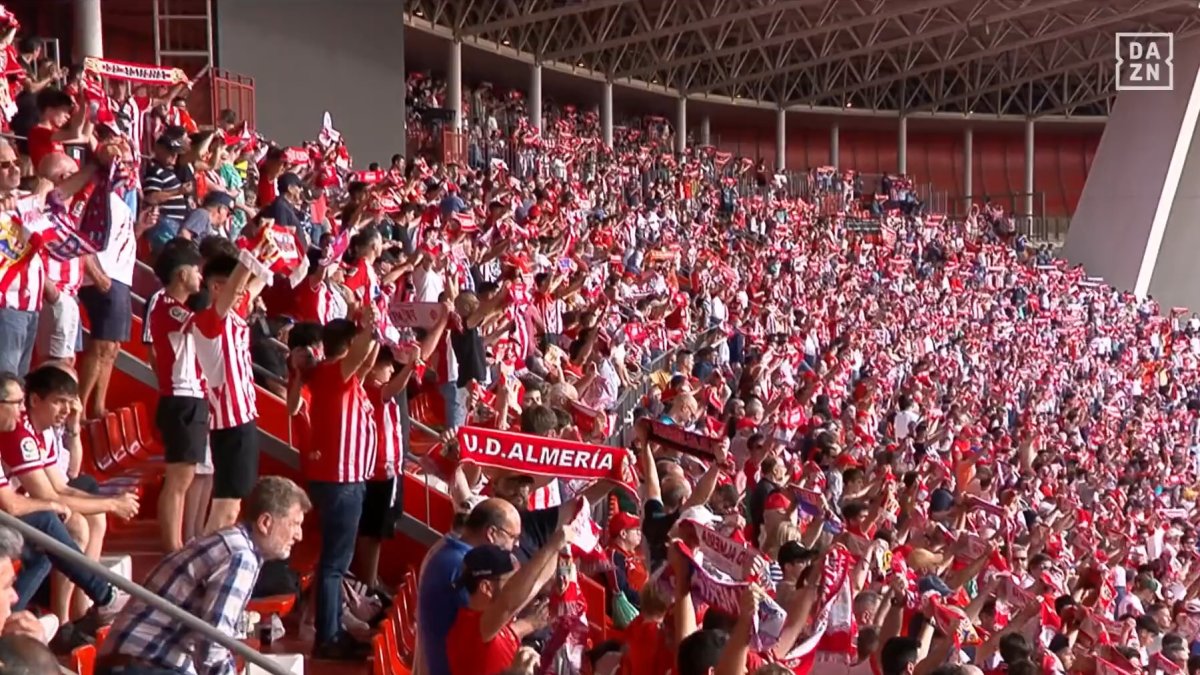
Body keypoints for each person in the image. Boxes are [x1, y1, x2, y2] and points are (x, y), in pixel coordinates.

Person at [96, 476, 309, 675]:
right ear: (265, 522)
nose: (299, 535)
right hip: (142, 665)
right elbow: (212, 643)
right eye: (295, 524)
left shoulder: (235, 545)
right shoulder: (241, 556)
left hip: (136, 662)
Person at [0, 365, 138, 621]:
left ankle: (70, 614)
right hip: (8, 517)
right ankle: (99, 598)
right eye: (16, 403)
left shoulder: (40, 430)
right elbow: (19, 504)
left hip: (11, 513)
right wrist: (109, 504)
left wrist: (108, 503)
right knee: (50, 525)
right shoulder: (18, 434)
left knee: (53, 534)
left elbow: (64, 484)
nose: (20, 411)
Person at [296, 314, 379, 659]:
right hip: (341, 481)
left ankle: (332, 630)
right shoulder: (335, 373)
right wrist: (372, 324)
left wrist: (373, 336)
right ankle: (328, 637)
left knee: (334, 562)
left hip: (341, 480)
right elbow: (363, 351)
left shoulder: (342, 377)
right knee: (333, 564)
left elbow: (368, 354)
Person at [191, 241, 274, 532]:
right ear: (215, 288)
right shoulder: (209, 322)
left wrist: (270, 255)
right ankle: (207, 565)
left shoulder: (234, 316)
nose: (242, 295)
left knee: (234, 505)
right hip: (230, 425)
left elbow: (254, 285)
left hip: (244, 422)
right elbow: (238, 287)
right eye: (234, 289)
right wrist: (248, 258)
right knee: (226, 508)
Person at [445, 517, 575, 675]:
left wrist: (561, 550)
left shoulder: (490, 622)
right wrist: (552, 545)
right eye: (512, 580)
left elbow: (537, 582)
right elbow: (509, 602)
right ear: (486, 587)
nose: (517, 585)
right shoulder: (472, 630)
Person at [78, 138, 150, 419]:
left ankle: (98, 405)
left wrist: (140, 228)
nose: (129, 170)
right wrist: (95, 273)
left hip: (121, 277)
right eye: (125, 164)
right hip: (104, 277)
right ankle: (81, 407)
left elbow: (120, 238)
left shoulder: (121, 201)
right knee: (101, 345)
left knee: (113, 347)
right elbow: (79, 237)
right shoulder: (95, 194)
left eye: (132, 164)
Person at [144, 241, 208, 552]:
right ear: (182, 274)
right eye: (197, 270)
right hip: (182, 398)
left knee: (185, 478)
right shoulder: (166, 305)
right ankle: (173, 548)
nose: (201, 276)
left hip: (189, 397)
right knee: (178, 481)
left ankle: (178, 543)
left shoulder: (176, 306)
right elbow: (206, 327)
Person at [414, 498, 522, 675]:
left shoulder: (450, 550)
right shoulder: (459, 565)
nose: (516, 545)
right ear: (492, 533)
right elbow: (498, 613)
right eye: (513, 537)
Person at [0, 140, 48, 376]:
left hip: (31, 306)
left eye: (16, 162)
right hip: (6, 306)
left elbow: (54, 188)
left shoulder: (24, 199)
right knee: (5, 386)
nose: (14, 169)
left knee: (18, 386)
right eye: (5, 165)